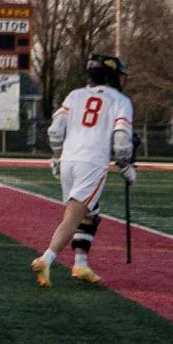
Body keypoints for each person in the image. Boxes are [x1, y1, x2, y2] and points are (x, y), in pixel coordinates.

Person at [34, 53, 134, 288]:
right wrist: (125, 166)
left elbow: (55, 131)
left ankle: (81, 263)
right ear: (112, 76)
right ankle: (46, 258)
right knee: (74, 217)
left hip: (69, 160)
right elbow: (121, 139)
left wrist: (57, 157)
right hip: (92, 163)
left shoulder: (74, 95)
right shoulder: (120, 101)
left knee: (91, 213)